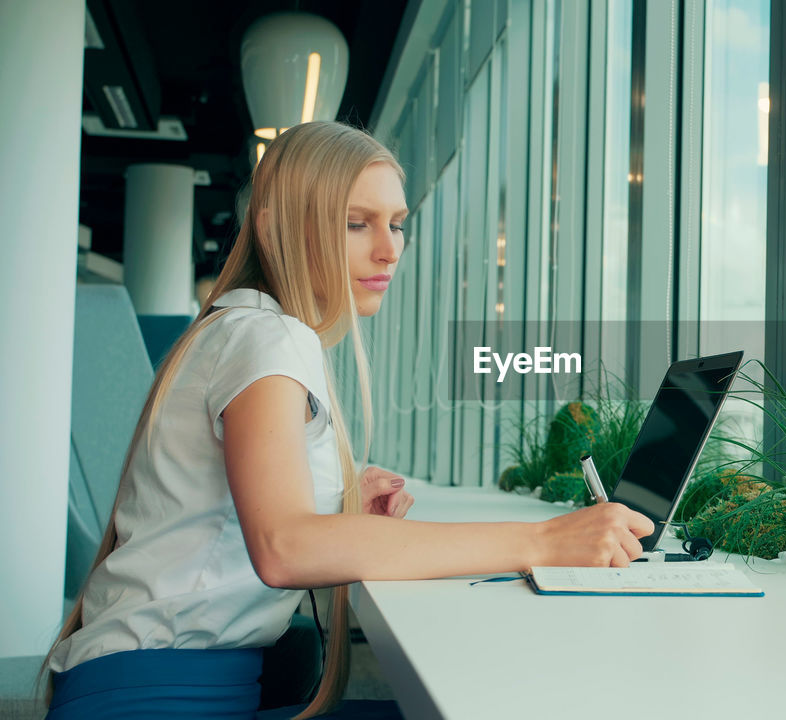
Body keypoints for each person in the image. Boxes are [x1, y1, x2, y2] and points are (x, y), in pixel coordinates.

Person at [40, 121, 655, 719]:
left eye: (396, 224)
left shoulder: (239, 325)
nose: (389, 249)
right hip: (160, 697)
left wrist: (335, 496)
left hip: (149, 682)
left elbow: (230, 514)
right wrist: (543, 541)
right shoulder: (268, 336)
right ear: (277, 227)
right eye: (357, 224)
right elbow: (284, 548)